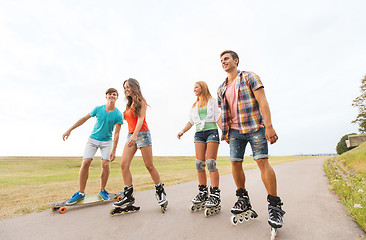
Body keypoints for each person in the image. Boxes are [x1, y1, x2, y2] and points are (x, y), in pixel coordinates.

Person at [217, 50, 285, 228]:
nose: (223, 62)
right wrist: (225, 132)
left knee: (262, 161)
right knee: (235, 163)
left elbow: (263, 101)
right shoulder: (221, 88)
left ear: (236, 61)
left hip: (255, 127)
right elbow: (223, 112)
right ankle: (243, 198)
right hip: (234, 132)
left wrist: (269, 126)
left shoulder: (250, 77)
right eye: (221, 60)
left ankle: (275, 206)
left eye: (226, 59)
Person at [113, 78, 168, 210]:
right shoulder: (128, 105)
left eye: (128, 87)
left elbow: (141, 118)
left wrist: (135, 135)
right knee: (123, 164)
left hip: (142, 134)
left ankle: (160, 191)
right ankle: (128, 195)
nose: (126, 89)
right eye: (124, 87)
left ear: (134, 86)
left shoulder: (141, 101)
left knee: (149, 165)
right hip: (131, 135)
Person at [62, 88, 123, 205]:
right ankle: (80, 193)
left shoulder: (118, 114)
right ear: (106, 96)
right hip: (93, 139)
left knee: (105, 164)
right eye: (110, 94)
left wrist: (114, 150)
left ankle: (102, 190)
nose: (112, 96)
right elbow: (84, 119)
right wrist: (69, 130)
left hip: (107, 142)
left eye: (114, 94)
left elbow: (116, 133)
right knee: (86, 162)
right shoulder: (98, 109)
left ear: (116, 98)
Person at [178, 81, 223, 214]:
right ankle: (203, 192)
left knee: (211, 163)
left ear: (202, 87)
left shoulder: (212, 102)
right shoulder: (194, 105)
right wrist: (182, 131)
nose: (194, 89)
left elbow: (218, 117)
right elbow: (191, 121)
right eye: (193, 88)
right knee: (199, 164)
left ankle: (215, 194)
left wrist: (225, 133)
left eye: (196, 87)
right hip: (199, 134)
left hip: (212, 132)